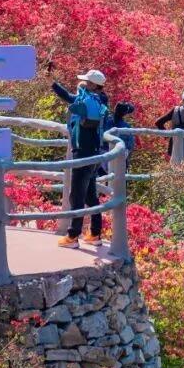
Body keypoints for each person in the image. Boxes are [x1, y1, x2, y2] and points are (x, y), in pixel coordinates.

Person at [52, 69, 111, 247]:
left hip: (82, 152)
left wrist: (53, 84)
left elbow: (69, 98)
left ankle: (72, 236)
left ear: (93, 84)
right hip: (95, 151)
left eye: (87, 81)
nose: (84, 83)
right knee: (91, 195)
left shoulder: (84, 99)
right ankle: (94, 234)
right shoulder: (101, 101)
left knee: (76, 195)